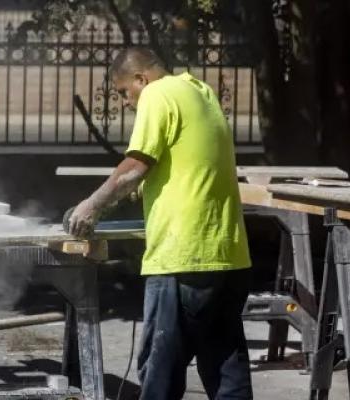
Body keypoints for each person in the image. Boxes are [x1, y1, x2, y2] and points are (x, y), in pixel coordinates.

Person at [67, 47, 253, 400]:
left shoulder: (157, 93)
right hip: (229, 256)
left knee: (160, 372)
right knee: (226, 371)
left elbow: (135, 167)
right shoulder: (200, 91)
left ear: (141, 78)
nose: (126, 102)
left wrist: (91, 206)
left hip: (184, 258)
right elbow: (190, 162)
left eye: (125, 92)